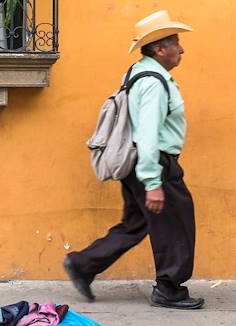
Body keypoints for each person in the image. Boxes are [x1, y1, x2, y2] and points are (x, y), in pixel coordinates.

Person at [63, 10, 204, 310]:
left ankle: (83, 263)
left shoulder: (139, 72)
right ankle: (169, 288)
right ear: (159, 48)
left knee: (136, 224)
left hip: (142, 163)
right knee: (177, 222)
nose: (181, 48)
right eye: (176, 42)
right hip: (154, 163)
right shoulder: (153, 82)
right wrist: (153, 182)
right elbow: (148, 132)